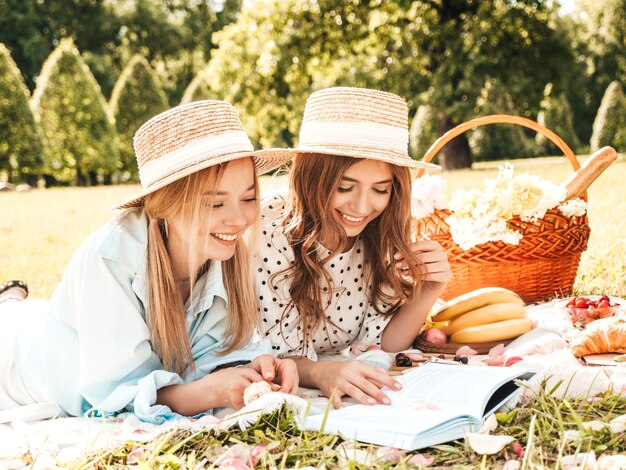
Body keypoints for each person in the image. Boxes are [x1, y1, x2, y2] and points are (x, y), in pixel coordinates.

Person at [0, 100, 296, 424]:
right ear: (166, 205)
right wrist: (214, 392)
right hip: (19, 375)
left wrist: (252, 369)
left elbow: (207, 357)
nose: (239, 219)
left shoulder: (223, 254)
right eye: (215, 203)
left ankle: (11, 299)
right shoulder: (111, 258)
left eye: (249, 198)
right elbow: (119, 394)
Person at [254, 87, 451, 409]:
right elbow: (276, 354)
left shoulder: (381, 231)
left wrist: (428, 290)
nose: (362, 206)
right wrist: (321, 373)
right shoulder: (270, 228)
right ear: (311, 178)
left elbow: (384, 342)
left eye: (380, 189)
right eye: (344, 187)